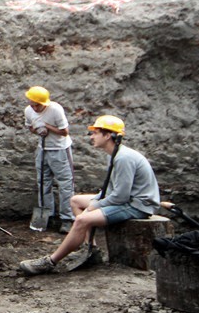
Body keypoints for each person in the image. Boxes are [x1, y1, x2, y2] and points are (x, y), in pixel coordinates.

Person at [19, 115, 160, 275]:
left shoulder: (123, 158)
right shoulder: (115, 155)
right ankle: (91, 250)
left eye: (95, 133)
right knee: (76, 201)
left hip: (137, 206)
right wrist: (96, 200)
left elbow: (121, 196)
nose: (91, 137)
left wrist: (95, 205)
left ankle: (50, 262)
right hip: (128, 200)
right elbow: (110, 189)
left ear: (108, 135)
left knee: (81, 220)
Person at [24, 86, 76, 233]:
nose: (34, 108)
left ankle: (67, 218)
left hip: (59, 150)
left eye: (37, 105)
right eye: (32, 104)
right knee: (43, 182)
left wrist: (47, 126)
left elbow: (64, 132)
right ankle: (48, 215)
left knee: (65, 183)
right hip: (42, 149)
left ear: (44, 103)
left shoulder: (55, 110)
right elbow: (30, 127)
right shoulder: (28, 111)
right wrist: (37, 130)